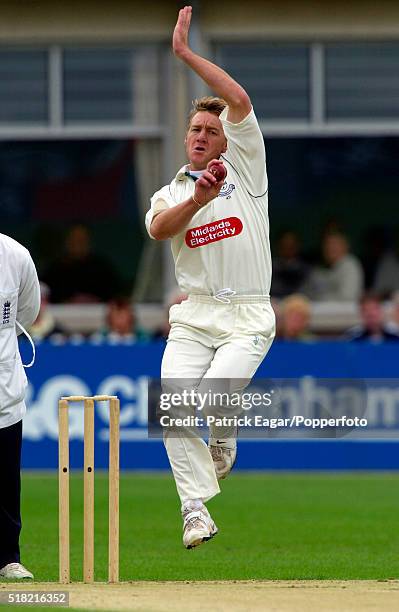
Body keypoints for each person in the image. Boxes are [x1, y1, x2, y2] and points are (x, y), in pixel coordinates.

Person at [145, 6, 275, 549]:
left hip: (247, 313)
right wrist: (196, 200)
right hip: (195, 315)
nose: (200, 135)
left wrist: (186, 54)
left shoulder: (247, 168)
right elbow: (157, 230)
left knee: (217, 397)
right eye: (194, 128)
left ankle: (224, 430)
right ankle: (194, 510)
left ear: (228, 141)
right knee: (171, 405)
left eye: (210, 130)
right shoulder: (174, 190)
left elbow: (239, 102)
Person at [0, 233, 40, 579]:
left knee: (6, 481)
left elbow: (27, 312)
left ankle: (7, 558)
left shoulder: (15, 254)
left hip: (4, 392)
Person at [43, 224, 121, 303]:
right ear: (66, 242)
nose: (77, 244)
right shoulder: (54, 270)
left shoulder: (103, 268)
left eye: (81, 240)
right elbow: (45, 298)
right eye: (74, 239)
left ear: (89, 242)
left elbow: (116, 297)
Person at [305, 231, 364, 301]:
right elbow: (304, 295)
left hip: (344, 311)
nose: (330, 248)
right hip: (317, 310)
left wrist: (318, 299)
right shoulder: (317, 270)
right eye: (327, 244)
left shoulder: (350, 264)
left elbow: (347, 297)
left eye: (335, 244)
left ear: (345, 247)